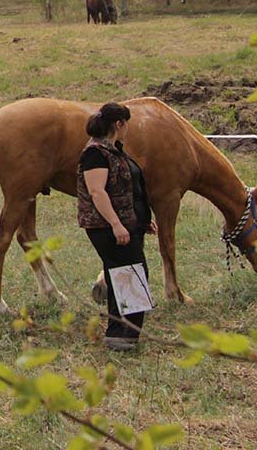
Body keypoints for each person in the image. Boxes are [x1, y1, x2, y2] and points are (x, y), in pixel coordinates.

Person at [77, 102, 157, 351]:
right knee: (132, 275)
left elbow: (127, 189)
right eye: (127, 124)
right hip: (107, 227)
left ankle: (119, 335)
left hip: (125, 225)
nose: (128, 129)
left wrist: (143, 220)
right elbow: (97, 192)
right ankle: (124, 337)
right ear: (119, 124)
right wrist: (116, 225)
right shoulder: (95, 154)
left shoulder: (114, 150)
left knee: (121, 275)